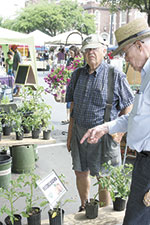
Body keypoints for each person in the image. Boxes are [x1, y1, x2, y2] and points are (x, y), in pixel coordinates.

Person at [80, 18, 150, 225]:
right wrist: (106, 127)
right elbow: (137, 117)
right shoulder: (145, 75)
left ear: (139, 45)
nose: (127, 60)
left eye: (126, 54)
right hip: (143, 163)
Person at [65, 34, 134, 212]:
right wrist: (70, 134)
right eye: (87, 49)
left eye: (94, 48)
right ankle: (85, 206)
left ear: (104, 51)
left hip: (104, 135)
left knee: (105, 177)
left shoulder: (115, 74)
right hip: (80, 132)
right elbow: (73, 107)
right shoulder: (77, 75)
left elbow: (128, 104)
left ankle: (103, 215)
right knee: (80, 171)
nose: (90, 52)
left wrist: (119, 133)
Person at [61, 45, 81, 125]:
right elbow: (67, 69)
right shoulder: (69, 59)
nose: (70, 54)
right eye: (69, 52)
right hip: (70, 81)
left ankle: (73, 118)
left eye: (71, 52)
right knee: (68, 100)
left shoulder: (79, 59)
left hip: (77, 82)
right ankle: (68, 117)